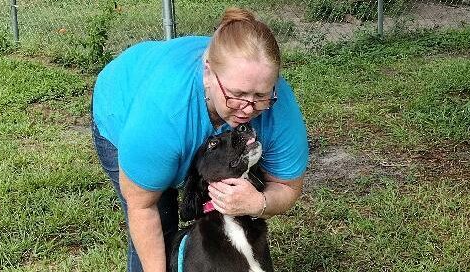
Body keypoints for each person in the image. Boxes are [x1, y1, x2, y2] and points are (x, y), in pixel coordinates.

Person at [91, 7, 308, 272]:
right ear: (208, 73)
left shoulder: (279, 109)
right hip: (123, 102)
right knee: (161, 221)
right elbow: (142, 208)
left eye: (260, 96)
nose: (249, 108)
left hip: (175, 124)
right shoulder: (163, 115)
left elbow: (287, 187)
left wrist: (259, 203)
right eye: (237, 94)